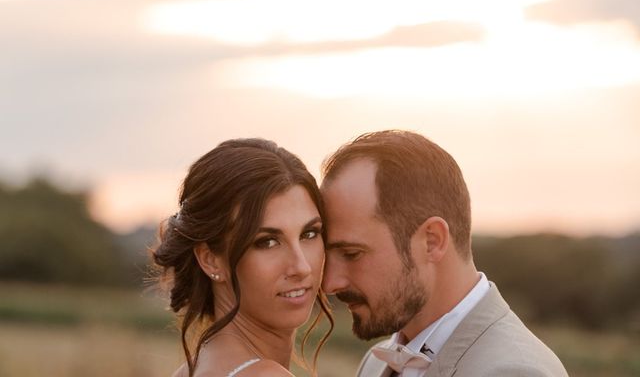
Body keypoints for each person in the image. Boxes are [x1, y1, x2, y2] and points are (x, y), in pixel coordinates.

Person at [321, 130, 568, 377]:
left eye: (352, 253)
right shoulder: (375, 364)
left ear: (432, 240)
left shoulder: (514, 371)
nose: (330, 283)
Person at [153, 138, 333, 377]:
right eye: (267, 242)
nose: (301, 267)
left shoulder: (188, 372)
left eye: (309, 233)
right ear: (210, 259)